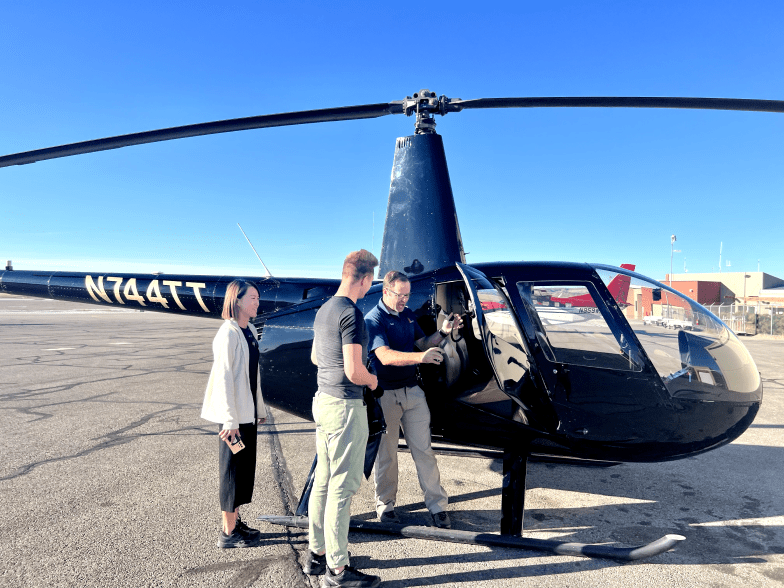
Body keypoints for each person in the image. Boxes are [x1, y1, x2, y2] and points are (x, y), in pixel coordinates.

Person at [306, 249, 382, 588]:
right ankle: (337, 572)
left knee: (323, 480)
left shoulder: (324, 309)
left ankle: (316, 554)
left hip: (322, 401)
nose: (369, 288)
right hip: (344, 408)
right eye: (370, 282)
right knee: (342, 488)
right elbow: (354, 371)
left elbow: (314, 357)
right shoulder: (352, 314)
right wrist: (373, 379)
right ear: (364, 279)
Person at [365, 270, 462, 529]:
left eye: (407, 295)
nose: (404, 300)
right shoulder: (373, 320)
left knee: (424, 452)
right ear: (385, 291)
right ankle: (385, 507)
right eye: (400, 295)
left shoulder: (407, 315)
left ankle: (438, 507)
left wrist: (443, 332)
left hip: (412, 392)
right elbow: (384, 356)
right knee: (387, 456)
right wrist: (421, 358)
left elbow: (423, 343)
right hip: (385, 395)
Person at [201, 280, 267, 548]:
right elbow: (224, 380)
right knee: (231, 472)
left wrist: (258, 410)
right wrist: (230, 422)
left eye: (258, 298)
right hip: (233, 421)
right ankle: (228, 534)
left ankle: (234, 521)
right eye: (252, 297)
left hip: (246, 416)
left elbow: (254, 375)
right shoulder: (227, 333)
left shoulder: (249, 329)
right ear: (237, 301)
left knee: (242, 472)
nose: (257, 302)